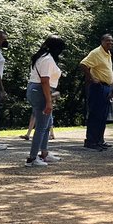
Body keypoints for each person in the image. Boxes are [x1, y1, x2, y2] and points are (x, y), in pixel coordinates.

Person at [26, 36, 66, 168]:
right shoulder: (48, 59)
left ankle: (44, 153)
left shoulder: (41, 56)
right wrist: (49, 102)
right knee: (42, 127)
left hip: (36, 90)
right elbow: (44, 81)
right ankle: (32, 158)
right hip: (41, 91)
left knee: (47, 124)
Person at [80, 33, 113, 151]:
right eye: (107, 41)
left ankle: (99, 140)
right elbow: (83, 64)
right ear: (102, 41)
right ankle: (91, 141)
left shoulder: (107, 53)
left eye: (111, 41)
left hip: (106, 87)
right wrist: (91, 78)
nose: (110, 43)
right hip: (98, 87)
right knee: (95, 114)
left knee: (103, 116)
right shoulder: (96, 53)